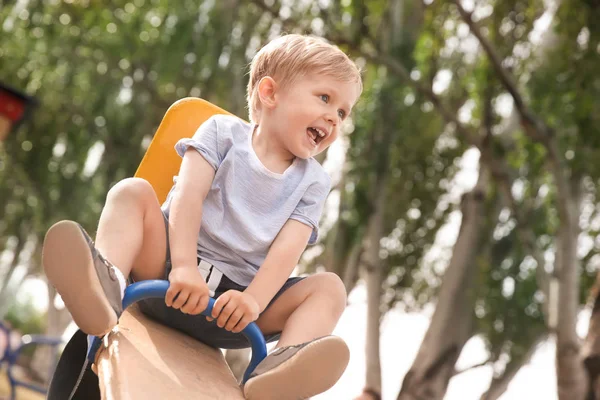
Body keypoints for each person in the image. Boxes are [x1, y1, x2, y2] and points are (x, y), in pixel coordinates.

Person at [43, 33, 362, 400]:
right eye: (324, 98)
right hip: (167, 275)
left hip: (234, 309)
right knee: (132, 191)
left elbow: (287, 251)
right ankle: (105, 287)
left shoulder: (314, 182)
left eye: (342, 112)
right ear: (269, 93)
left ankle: (278, 368)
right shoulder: (221, 134)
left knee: (328, 288)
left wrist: (253, 301)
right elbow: (187, 198)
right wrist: (182, 266)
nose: (333, 118)